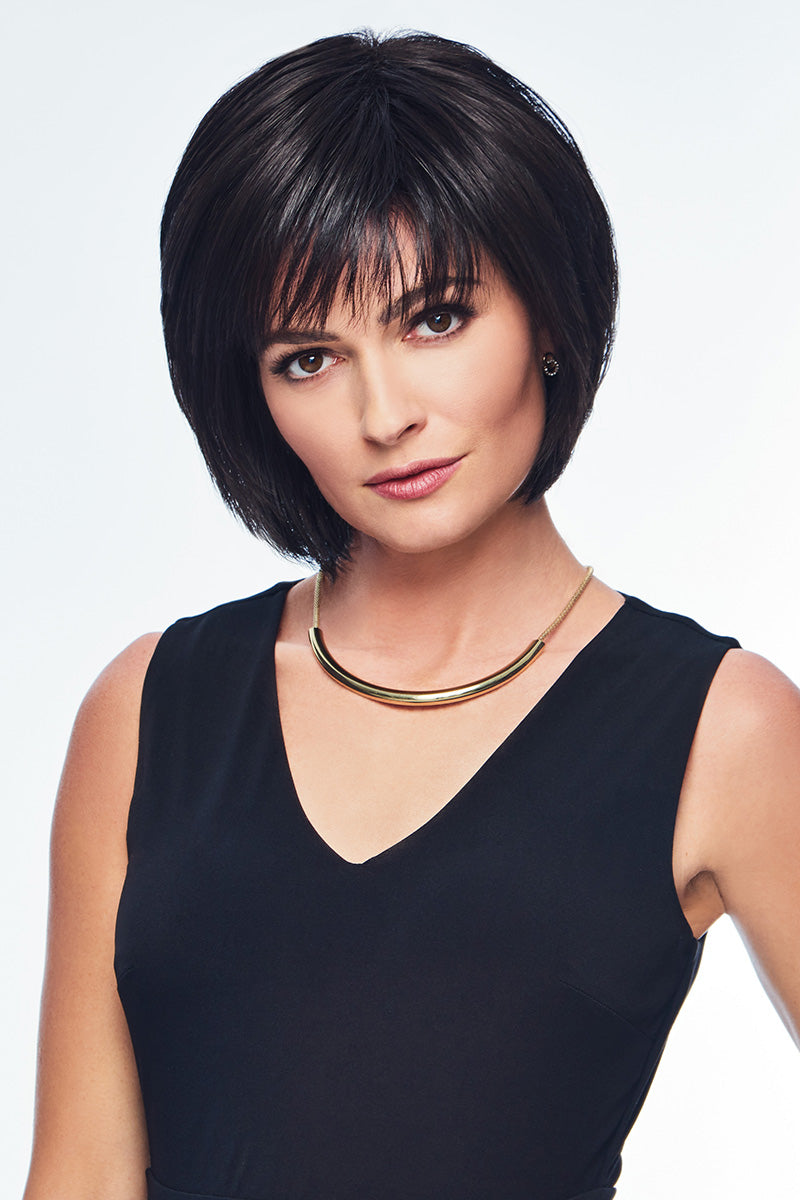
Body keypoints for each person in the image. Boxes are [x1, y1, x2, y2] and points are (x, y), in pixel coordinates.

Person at [23, 28, 800, 1200]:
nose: (383, 414)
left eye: (433, 318)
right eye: (307, 357)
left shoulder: (720, 730)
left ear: (546, 316)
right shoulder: (147, 711)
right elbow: (79, 1175)